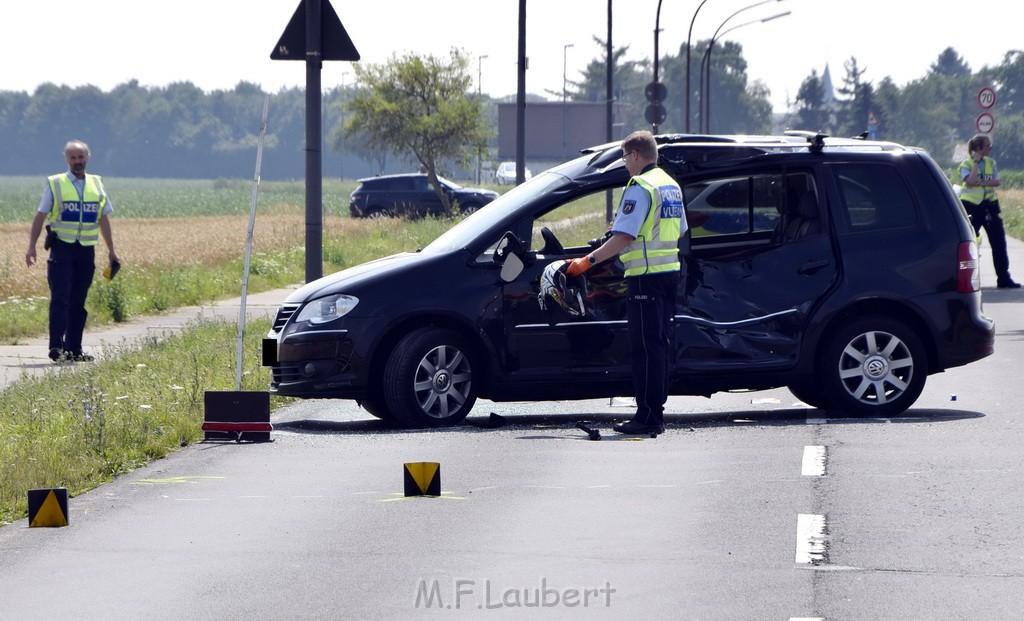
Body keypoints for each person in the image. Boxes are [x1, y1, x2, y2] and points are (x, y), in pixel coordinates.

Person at [566, 130, 686, 435]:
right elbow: (680, 230)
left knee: (645, 349)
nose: (624, 164)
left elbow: (625, 237)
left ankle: (647, 417)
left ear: (634, 155)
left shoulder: (640, 185)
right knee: (658, 346)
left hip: (645, 278)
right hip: (669, 275)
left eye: (624, 157)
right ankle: (654, 413)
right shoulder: (670, 185)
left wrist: (587, 261)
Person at [25, 140, 120, 362]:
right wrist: (31, 246)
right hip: (62, 248)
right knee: (60, 299)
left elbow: (103, 218)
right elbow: (40, 216)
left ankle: (74, 349)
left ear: (88, 157)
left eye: (81, 157)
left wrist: (112, 250)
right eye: (73, 158)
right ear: (66, 159)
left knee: (78, 301)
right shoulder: (55, 183)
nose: (77, 162)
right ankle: (57, 348)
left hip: (86, 250)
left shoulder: (97, 183)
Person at [958, 134, 1020, 289]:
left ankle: (1004, 278)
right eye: (987, 145)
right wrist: (976, 162)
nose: (990, 148)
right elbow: (970, 180)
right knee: (967, 243)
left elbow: (997, 181)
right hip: (971, 207)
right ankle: (963, 280)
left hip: (989, 207)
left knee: (999, 243)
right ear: (978, 147)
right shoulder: (966, 163)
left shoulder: (991, 163)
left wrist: (979, 182)